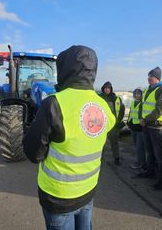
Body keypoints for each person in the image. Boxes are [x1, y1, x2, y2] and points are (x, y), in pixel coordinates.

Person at [23, 45, 115, 230]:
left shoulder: (54, 103)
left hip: (58, 197)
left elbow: (33, 153)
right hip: (88, 190)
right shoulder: (103, 105)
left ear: (65, 69)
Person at [138, 67, 162, 190]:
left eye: (151, 76)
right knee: (149, 152)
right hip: (147, 125)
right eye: (148, 76)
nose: (148, 78)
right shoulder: (147, 90)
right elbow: (142, 105)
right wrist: (141, 118)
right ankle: (150, 172)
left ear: (157, 78)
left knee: (159, 155)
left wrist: (144, 119)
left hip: (157, 127)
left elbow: (159, 109)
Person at [100, 81, 125, 165]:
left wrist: (118, 121)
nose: (107, 89)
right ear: (103, 89)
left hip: (113, 125)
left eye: (109, 88)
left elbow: (122, 110)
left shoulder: (116, 98)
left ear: (111, 89)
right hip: (101, 125)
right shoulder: (99, 98)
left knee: (114, 142)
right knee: (100, 143)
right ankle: (99, 159)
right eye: (105, 88)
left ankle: (116, 158)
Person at [127, 88, 147, 171]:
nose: (137, 95)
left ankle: (142, 164)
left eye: (139, 94)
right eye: (136, 93)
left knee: (140, 147)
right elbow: (131, 113)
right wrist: (128, 122)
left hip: (140, 128)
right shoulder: (132, 102)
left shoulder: (143, 103)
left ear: (141, 95)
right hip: (133, 127)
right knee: (136, 146)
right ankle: (139, 162)